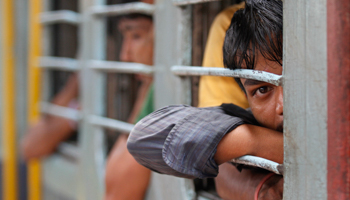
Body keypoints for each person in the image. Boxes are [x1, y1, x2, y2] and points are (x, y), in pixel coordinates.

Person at [127, 0, 284, 199]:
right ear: (246, 96)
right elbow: (146, 138)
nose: (282, 105)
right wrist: (260, 142)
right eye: (263, 89)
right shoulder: (253, 123)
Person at [21, 0, 155, 199]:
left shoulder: (159, 93)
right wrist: (81, 74)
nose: (124, 55)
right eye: (123, 37)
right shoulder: (105, 82)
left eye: (136, 36)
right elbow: (31, 146)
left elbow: (119, 191)